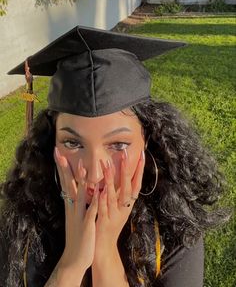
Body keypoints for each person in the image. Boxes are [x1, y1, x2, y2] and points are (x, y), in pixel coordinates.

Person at [0, 26, 229, 287]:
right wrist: (71, 264)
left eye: (118, 144)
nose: (95, 174)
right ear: (50, 142)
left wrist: (104, 253)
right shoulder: (25, 224)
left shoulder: (173, 233)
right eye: (72, 142)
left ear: (147, 140)